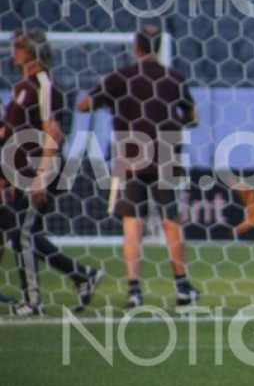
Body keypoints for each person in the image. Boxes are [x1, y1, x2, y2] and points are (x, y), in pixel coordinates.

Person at [77, 25, 199, 309]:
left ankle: (134, 291)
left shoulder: (121, 78)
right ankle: (183, 288)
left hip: (132, 156)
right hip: (165, 155)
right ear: (157, 47)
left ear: (136, 48)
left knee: (133, 224)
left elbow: (83, 105)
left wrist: (112, 104)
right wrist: (170, 124)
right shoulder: (174, 77)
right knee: (172, 221)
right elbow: (193, 117)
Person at [1, 29, 103, 315]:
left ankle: (33, 301)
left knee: (22, 234)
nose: (14, 51)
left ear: (32, 50)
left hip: (36, 172)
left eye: (19, 46)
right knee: (20, 232)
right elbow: (11, 133)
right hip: (17, 171)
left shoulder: (44, 86)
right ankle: (82, 276)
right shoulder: (21, 87)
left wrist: (41, 177)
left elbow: (53, 134)